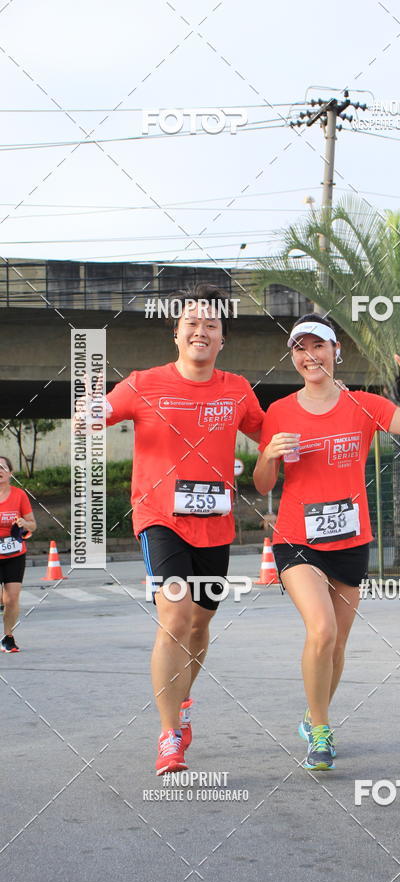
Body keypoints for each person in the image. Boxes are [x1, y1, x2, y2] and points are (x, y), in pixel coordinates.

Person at [254, 314, 400, 770]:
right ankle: (321, 731)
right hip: (297, 539)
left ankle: (313, 712)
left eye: (318, 346)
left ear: (337, 352)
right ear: (293, 356)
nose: (309, 355)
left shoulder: (365, 405)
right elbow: (261, 485)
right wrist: (268, 454)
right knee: (321, 630)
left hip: (351, 539)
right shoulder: (278, 411)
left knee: (335, 646)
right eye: (300, 348)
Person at [103, 285, 264, 774]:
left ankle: (184, 700)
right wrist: (89, 413)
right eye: (192, 323)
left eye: (211, 325)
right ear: (177, 332)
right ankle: (169, 736)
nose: (200, 331)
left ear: (222, 340)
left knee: (199, 625)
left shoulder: (236, 389)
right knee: (174, 615)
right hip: (160, 518)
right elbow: (100, 412)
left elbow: (270, 431)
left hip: (215, 524)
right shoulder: (142, 383)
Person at [0, 456, 37, 653]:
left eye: (2, 467)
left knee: (12, 599)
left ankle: (8, 637)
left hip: (14, 552)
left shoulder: (19, 495)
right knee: (2, 599)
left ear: (10, 473)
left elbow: (33, 525)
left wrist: (24, 524)